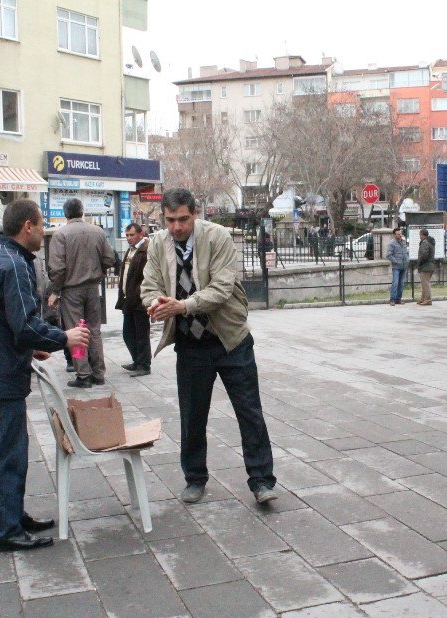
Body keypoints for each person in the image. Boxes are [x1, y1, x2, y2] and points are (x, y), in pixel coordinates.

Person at [0, 199, 89, 552]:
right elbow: (24, 325)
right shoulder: (14, 264)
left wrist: (29, 347)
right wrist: (64, 338)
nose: (44, 233)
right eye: (40, 225)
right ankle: (5, 531)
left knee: (11, 451)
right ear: (28, 227)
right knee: (5, 454)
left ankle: (13, 516)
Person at [141, 188, 278, 505]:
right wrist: (157, 304)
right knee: (192, 415)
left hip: (230, 339)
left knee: (249, 412)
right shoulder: (158, 245)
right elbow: (149, 286)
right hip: (191, 345)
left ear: (195, 214)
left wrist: (182, 306)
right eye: (171, 220)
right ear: (164, 217)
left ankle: (261, 481)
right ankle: (194, 478)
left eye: (183, 219)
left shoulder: (218, 238)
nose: (177, 227)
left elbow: (221, 288)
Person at [47, 198, 116, 388]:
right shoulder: (98, 232)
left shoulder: (61, 235)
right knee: (94, 330)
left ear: (65, 213)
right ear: (82, 211)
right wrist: (98, 272)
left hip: (71, 290)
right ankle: (99, 373)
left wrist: (55, 290)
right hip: (93, 288)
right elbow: (109, 258)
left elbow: (58, 268)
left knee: (77, 331)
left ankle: (83, 375)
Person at [116, 222, 151, 377]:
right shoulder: (131, 251)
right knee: (128, 333)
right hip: (128, 300)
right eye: (127, 235)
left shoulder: (145, 251)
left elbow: (146, 278)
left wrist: (136, 295)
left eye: (132, 235)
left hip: (139, 301)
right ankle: (137, 360)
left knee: (141, 335)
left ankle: (144, 364)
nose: (129, 238)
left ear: (140, 234)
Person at [386, 227, 408, 305]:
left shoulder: (404, 242)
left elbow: (406, 252)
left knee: (401, 284)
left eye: (400, 233)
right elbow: (388, 255)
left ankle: (398, 299)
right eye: (398, 234)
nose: (400, 235)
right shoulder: (392, 243)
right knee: (395, 282)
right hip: (396, 267)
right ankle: (392, 299)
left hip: (404, 265)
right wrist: (396, 261)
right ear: (394, 235)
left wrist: (407, 260)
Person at [416, 229, 435, 306]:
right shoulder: (430, 242)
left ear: (422, 235)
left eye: (420, 235)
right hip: (429, 266)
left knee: (426, 284)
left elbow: (424, 255)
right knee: (424, 284)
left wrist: (419, 263)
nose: (419, 236)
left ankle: (427, 300)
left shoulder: (425, 243)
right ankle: (423, 299)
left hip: (425, 266)